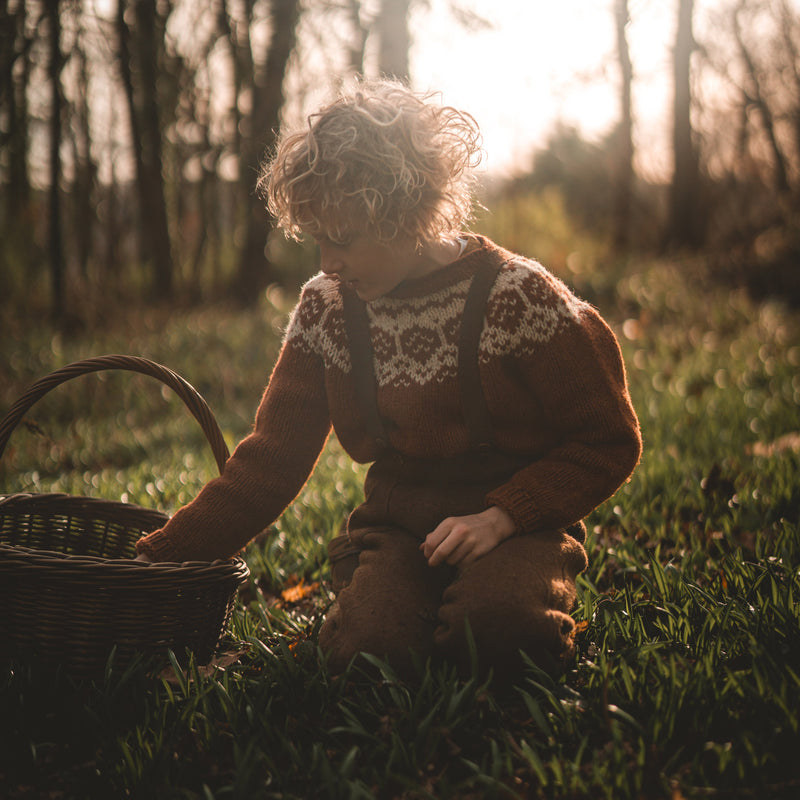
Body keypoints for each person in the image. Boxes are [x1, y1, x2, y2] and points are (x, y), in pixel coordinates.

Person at [135, 79, 641, 679]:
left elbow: (607, 439)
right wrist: (160, 557)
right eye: (317, 239)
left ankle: (496, 598)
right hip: (400, 530)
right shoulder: (325, 310)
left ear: (409, 216)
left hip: (517, 528)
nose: (326, 263)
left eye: (341, 240)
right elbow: (270, 461)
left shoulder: (522, 300)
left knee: (502, 636)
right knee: (367, 655)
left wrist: (504, 516)